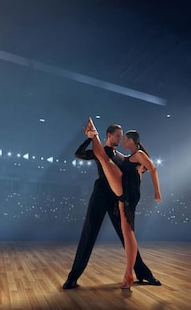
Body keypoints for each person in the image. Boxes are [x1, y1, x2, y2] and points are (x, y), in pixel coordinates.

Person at [63, 122, 161, 289]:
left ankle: (143, 273)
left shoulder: (122, 157)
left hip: (118, 198)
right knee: (89, 234)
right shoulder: (99, 151)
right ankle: (72, 277)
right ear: (108, 135)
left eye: (122, 137)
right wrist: (89, 139)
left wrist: (143, 171)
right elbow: (78, 154)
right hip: (100, 195)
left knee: (127, 236)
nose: (120, 139)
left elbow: (136, 170)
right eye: (117, 136)